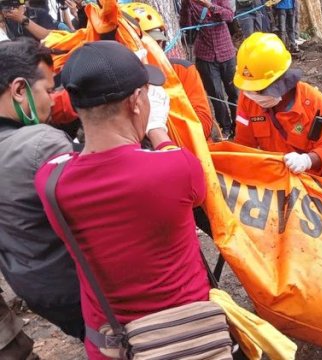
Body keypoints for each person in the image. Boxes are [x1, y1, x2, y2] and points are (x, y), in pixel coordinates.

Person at [34, 41, 211, 359]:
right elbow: (198, 192)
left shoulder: (50, 181)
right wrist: (158, 130)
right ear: (136, 101)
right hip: (188, 340)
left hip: (113, 345)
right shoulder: (177, 167)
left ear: (75, 106)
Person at [0, 38, 84, 355]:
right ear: (20, 90)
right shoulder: (40, 145)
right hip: (76, 287)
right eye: (48, 91)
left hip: (35, 286)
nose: (53, 101)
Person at [233, 32, 322, 177]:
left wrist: (308, 160)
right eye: (249, 89)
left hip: (314, 182)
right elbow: (243, 146)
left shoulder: (317, 105)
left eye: (257, 90)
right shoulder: (248, 98)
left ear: (279, 83)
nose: (251, 95)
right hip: (275, 179)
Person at [121, 1, 222, 141]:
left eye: (157, 43)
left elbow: (203, 124)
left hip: (189, 149)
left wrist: (160, 127)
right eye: (147, 46)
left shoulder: (182, 71)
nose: (154, 50)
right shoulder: (118, 85)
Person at [180, 0, 237, 139]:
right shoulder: (191, 3)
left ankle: (239, 125)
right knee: (216, 95)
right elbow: (186, 26)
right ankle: (226, 127)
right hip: (205, 55)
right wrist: (186, 5)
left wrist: (208, 5)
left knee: (234, 92)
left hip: (226, 52)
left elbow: (229, 15)